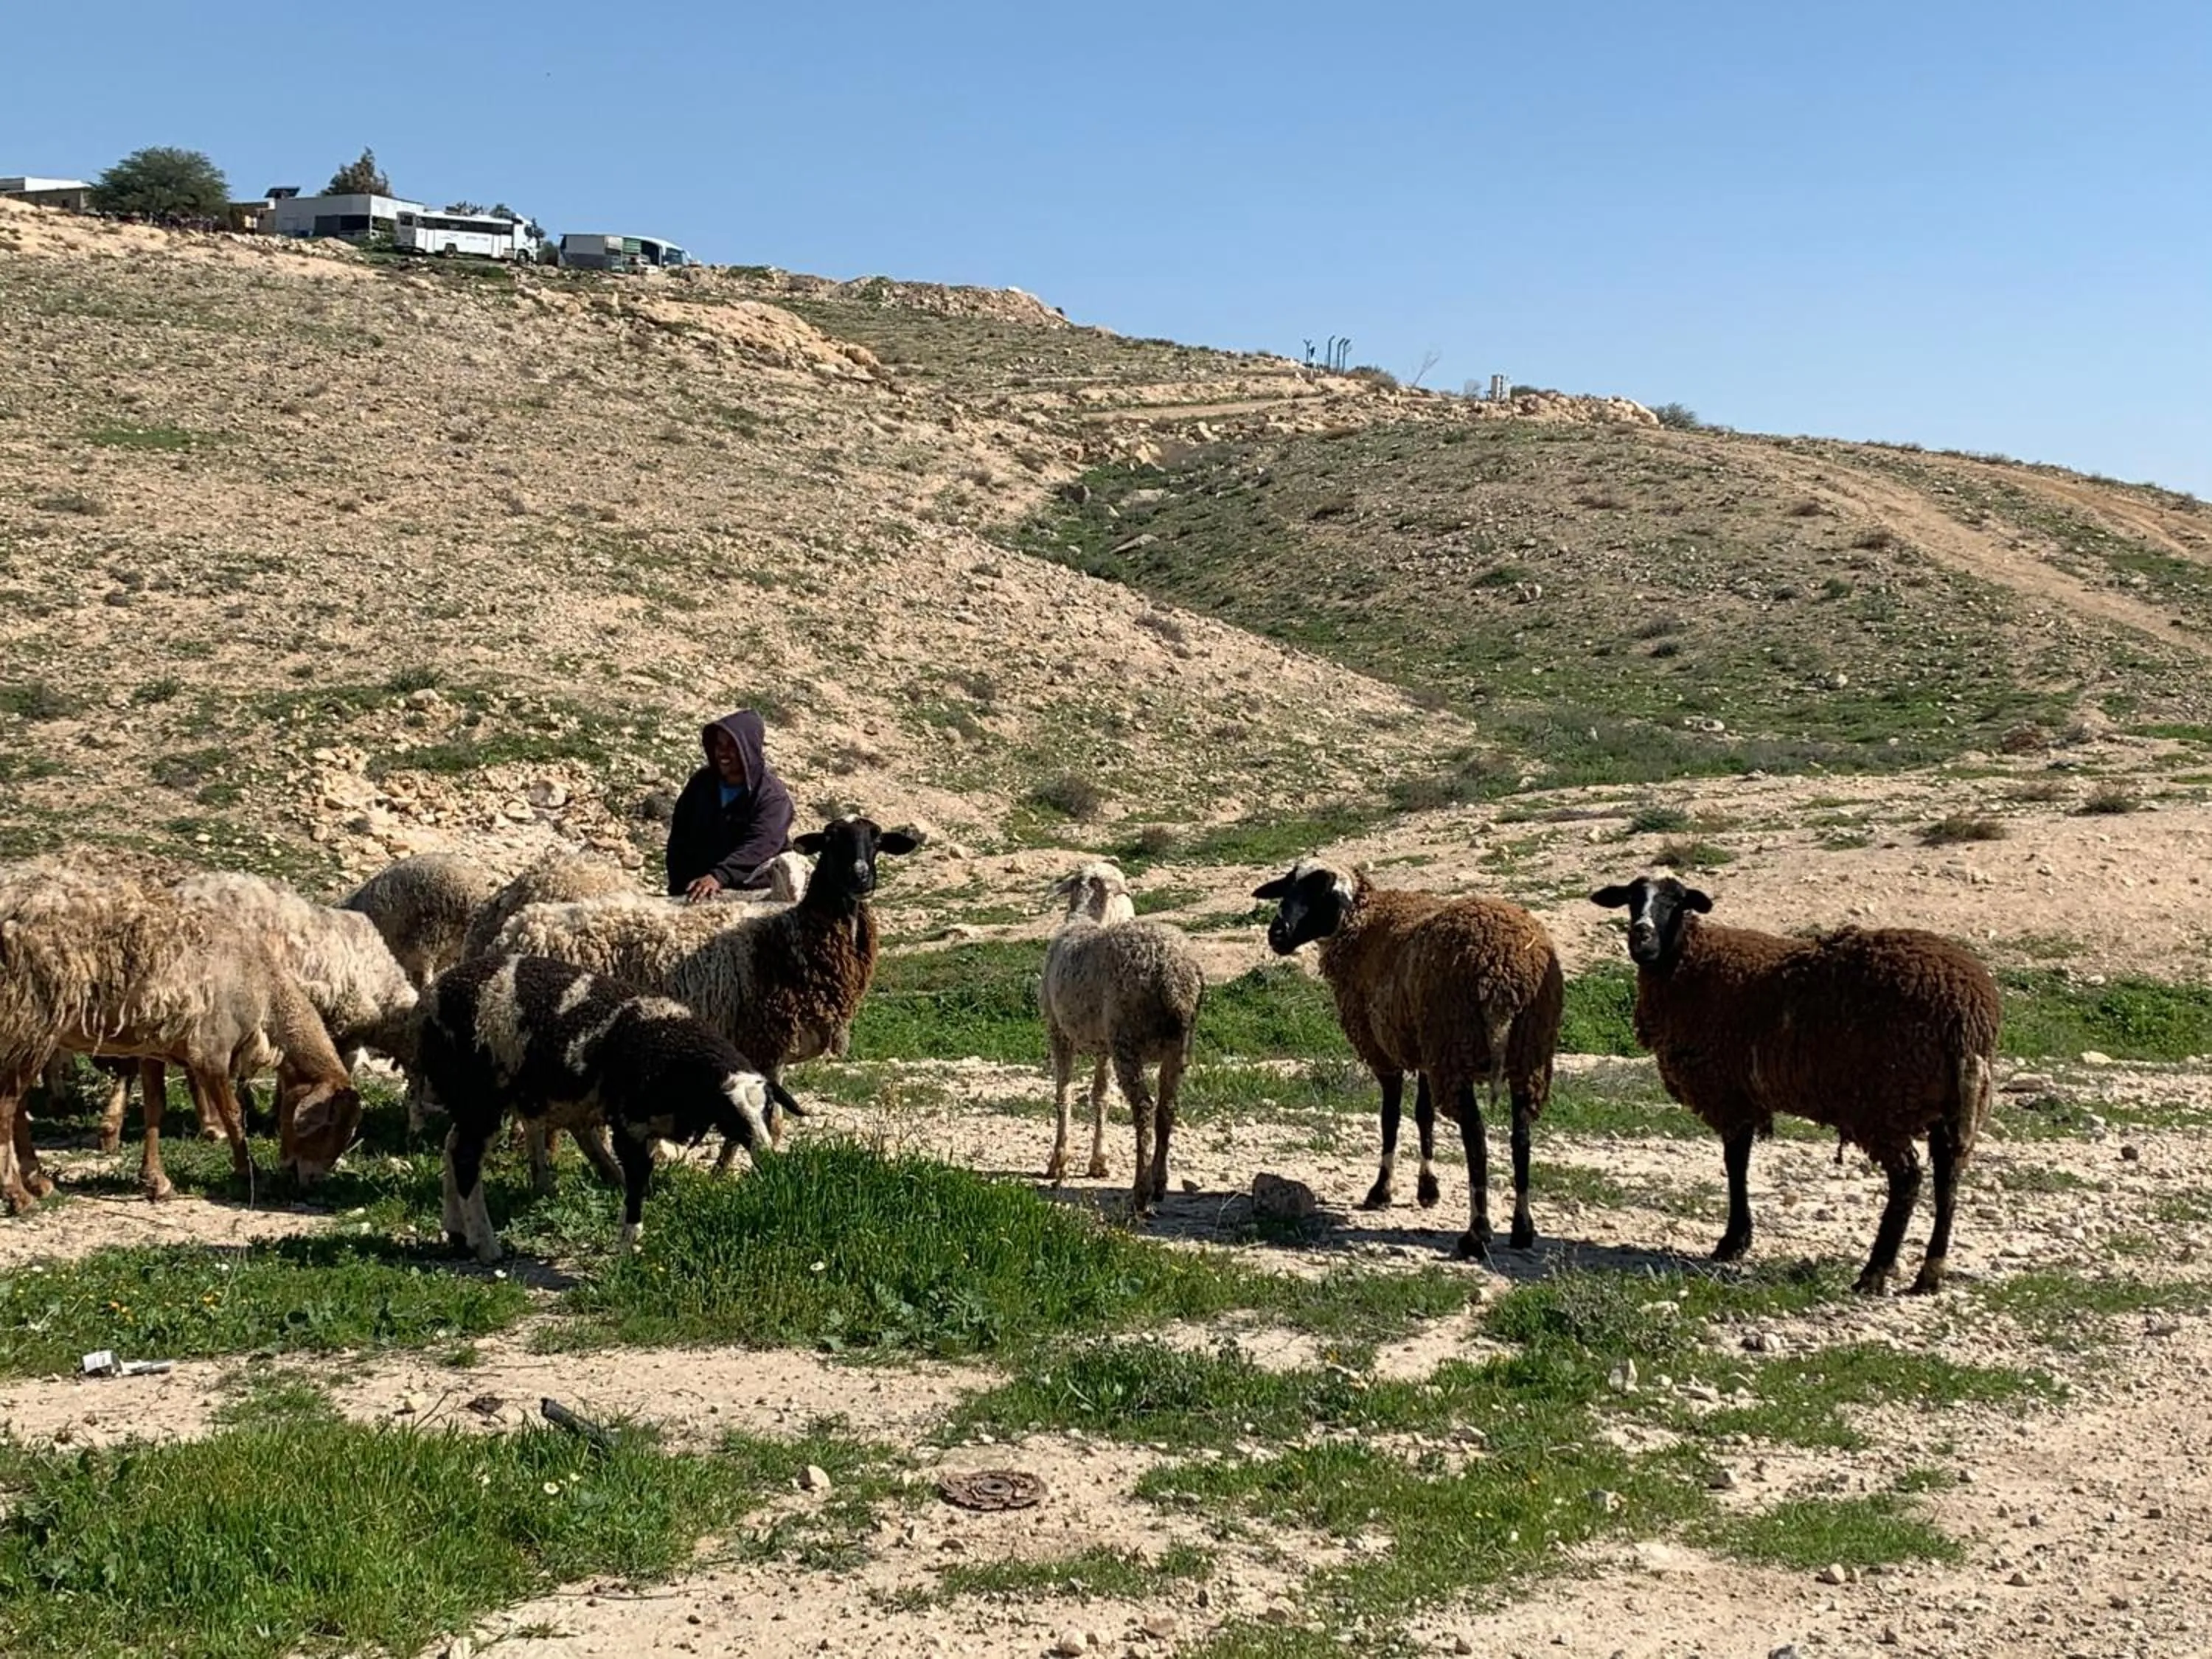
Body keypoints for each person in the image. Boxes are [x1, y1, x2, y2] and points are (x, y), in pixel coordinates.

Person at [664, 709, 795, 903]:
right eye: (719, 745)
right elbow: (680, 836)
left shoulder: (772, 797)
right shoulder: (701, 784)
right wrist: (678, 884)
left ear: (748, 749)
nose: (723, 752)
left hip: (751, 890)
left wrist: (720, 876)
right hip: (697, 887)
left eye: (732, 746)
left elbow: (760, 846)